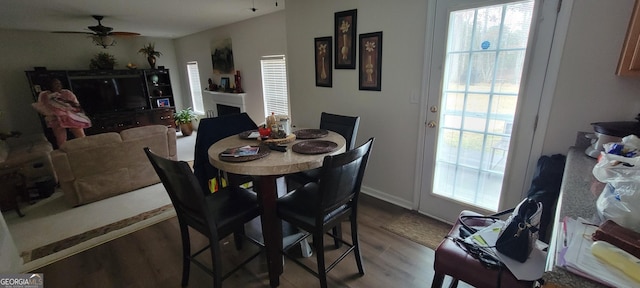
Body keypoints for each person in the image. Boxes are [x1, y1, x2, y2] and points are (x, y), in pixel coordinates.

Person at [32, 78, 91, 147]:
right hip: (55, 119)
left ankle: (85, 147)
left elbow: (75, 105)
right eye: (55, 84)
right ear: (50, 86)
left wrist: (68, 112)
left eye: (59, 84)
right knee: (61, 140)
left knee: (80, 135)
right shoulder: (44, 95)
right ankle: (65, 152)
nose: (58, 86)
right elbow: (42, 107)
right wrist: (54, 114)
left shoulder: (67, 93)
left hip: (70, 116)